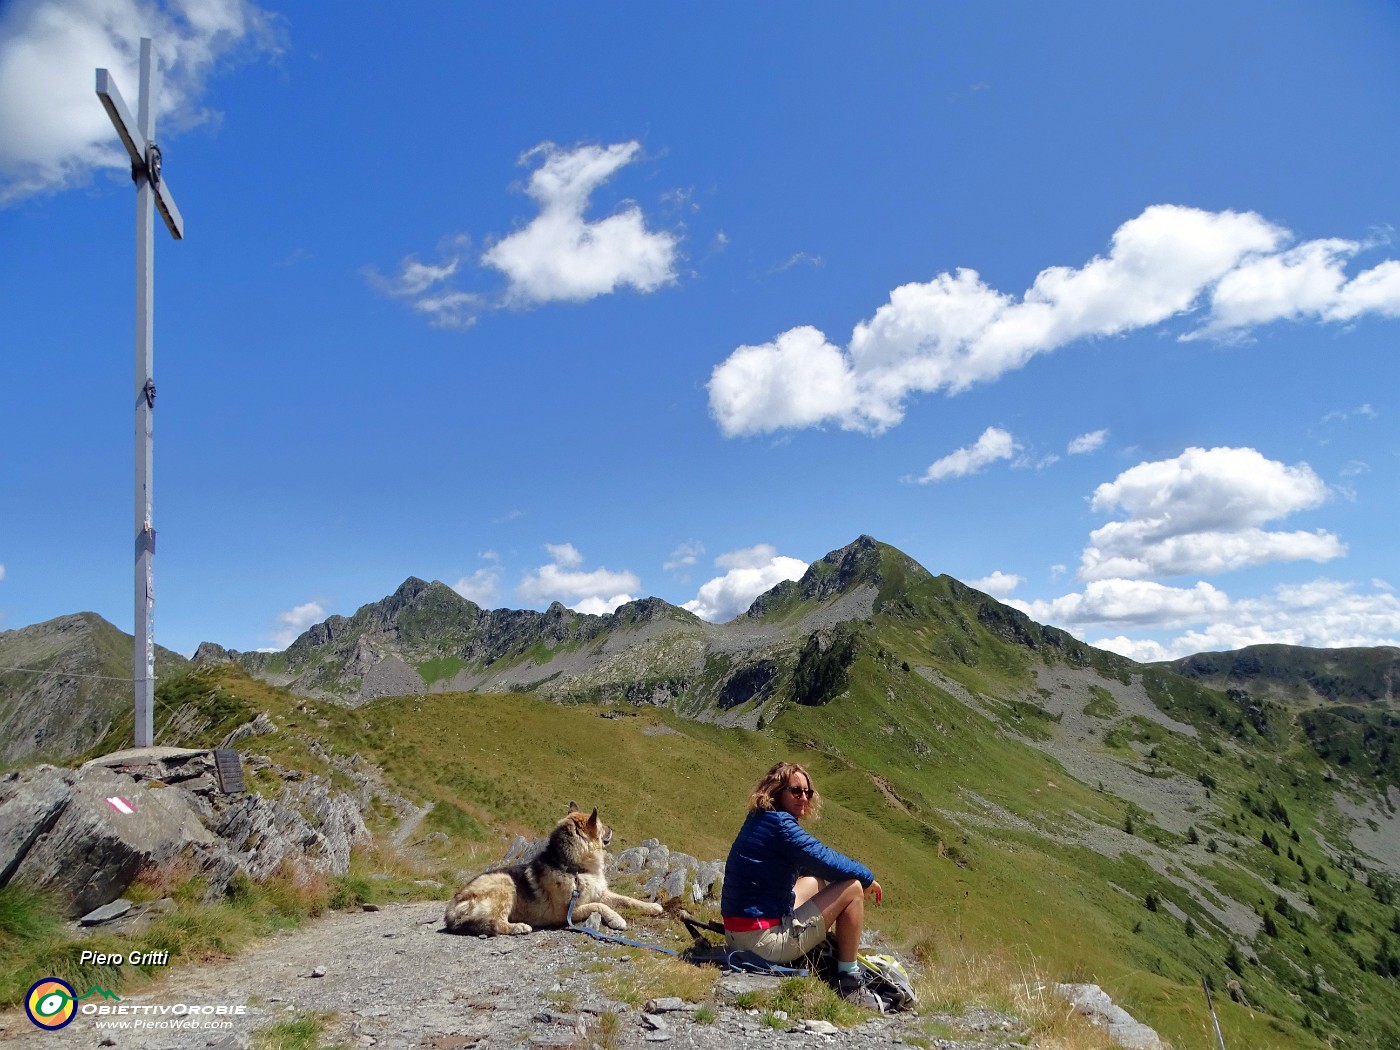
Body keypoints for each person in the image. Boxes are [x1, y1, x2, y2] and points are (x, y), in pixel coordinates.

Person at [720, 761, 885, 1009]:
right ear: (777, 791)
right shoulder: (782, 827)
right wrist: (867, 878)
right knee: (852, 887)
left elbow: (810, 864)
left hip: (738, 935)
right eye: (795, 791)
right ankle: (849, 981)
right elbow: (825, 858)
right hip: (763, 944)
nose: (804, 798)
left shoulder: (760, 818)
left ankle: (818, 948)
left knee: (814, 881)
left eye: (808, 792)